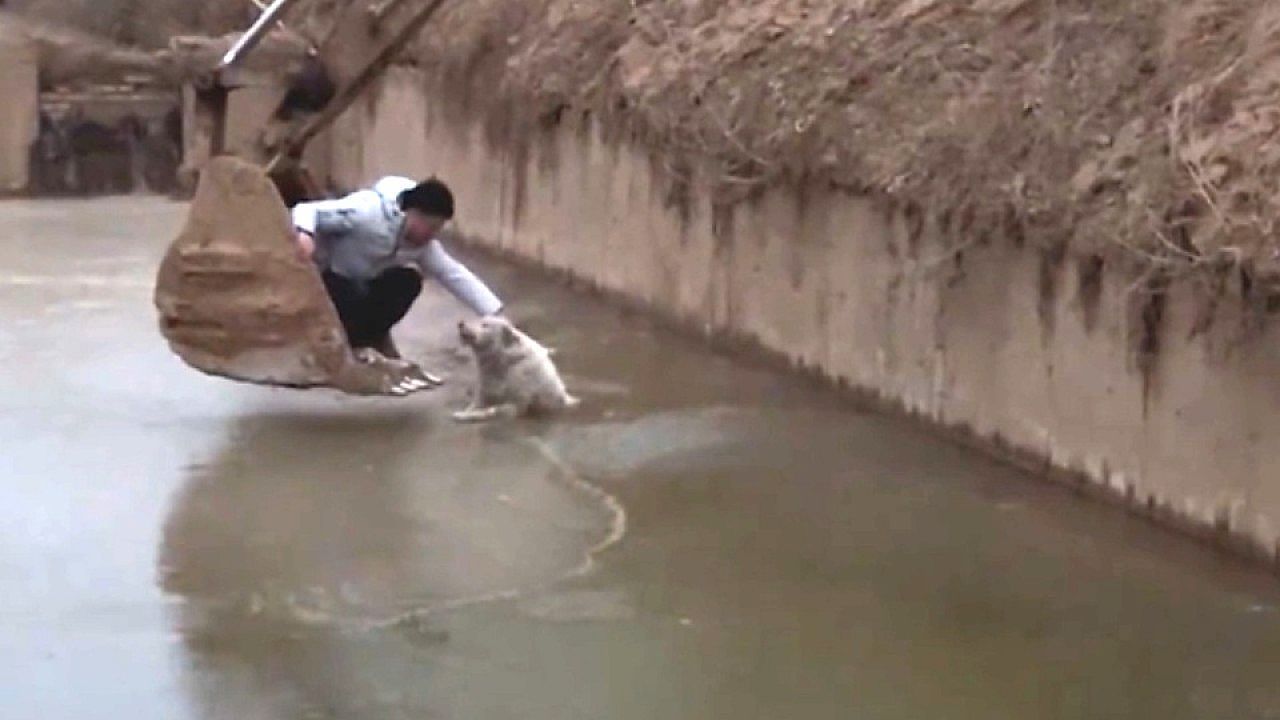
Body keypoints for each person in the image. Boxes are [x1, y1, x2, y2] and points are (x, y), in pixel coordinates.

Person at [291, 176, 503, 361]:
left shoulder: (422, 246)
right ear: (414, 213)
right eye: (431, 227)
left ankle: (369, 339)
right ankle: (344, 343)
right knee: (352, 291)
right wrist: (305, 234)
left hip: (364, 286)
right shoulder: (366, 212)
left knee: (408, 281)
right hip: (330, 281)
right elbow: (308, 210)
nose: (432, 234)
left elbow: (454, 274)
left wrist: (495, 313)